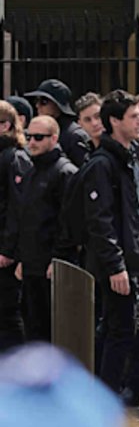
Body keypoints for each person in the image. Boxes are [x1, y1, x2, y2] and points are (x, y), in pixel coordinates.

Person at [81, 90, 139, 394]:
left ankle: (106, 395)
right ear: (114, 121)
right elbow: (100, 220)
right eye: (133, 116)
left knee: (121, 330)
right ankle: (105, 399)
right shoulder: (102, 164)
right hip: (115, 267)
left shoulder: (133, 160)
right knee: (119, 332)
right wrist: (116, 266)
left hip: (132, 263)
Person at [5, 116, 78, 342]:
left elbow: (69, 224)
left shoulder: (65, 173)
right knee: (33, 327)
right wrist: (21, 259)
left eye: (38, 137)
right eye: (28, 136)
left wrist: (58, 259)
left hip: (52, 266)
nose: (32, 142)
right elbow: (25, 218)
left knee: (53, 330)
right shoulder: (31, 171)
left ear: (54, 138)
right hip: (31, 265)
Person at [0, 102, 30, 352]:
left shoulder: (14, 157)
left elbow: (17, 207)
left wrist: (9, 250)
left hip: (4, 252)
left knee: (8, 314)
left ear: (5, 125)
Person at [24, 78, 90, 167]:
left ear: (58, 104)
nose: (37, 105)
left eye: (44, 101)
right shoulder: (39, 130)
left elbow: (83, 174)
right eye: (37, 100)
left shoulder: (75, 136)